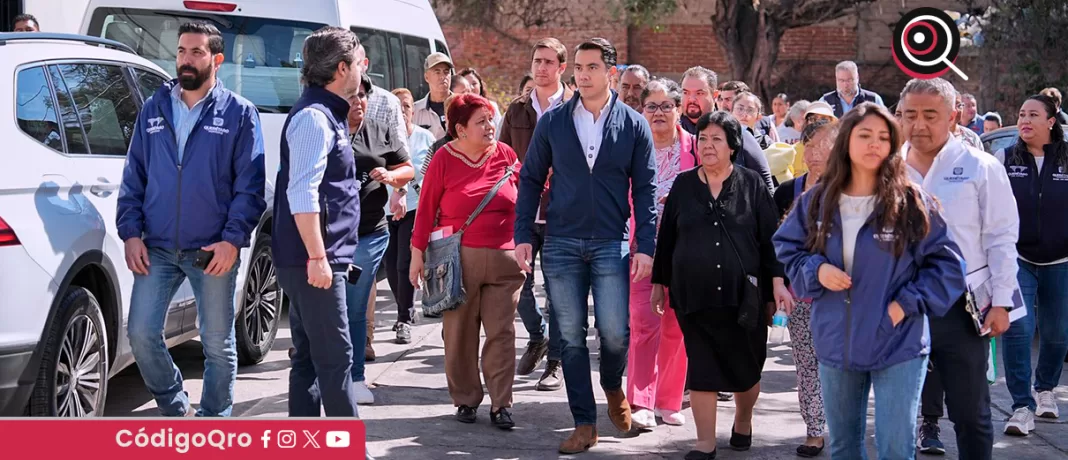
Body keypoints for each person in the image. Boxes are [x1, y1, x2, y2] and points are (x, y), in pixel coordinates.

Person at [773, 102, 966, 460]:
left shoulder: (910, 200)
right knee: (845, 447)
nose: (874, 144)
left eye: (883, 137)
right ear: (846, 141)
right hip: (835, 341)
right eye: (865, 135)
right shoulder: (817, 200)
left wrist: (904, 305)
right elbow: (787, 248)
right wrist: (816, 270)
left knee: (895, 447)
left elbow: (948, 266)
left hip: (898, 342)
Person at [514, 37, 656, 453]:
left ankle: (613, 386)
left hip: (612, 242)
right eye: (578, 67)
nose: (583, 74)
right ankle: (583, 423)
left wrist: (644, 245)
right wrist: (523, 233)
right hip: (560, 243)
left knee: (614, 333)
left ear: (610, 73)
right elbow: (530, 179)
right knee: (571, 337)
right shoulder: (554, 121)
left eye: (592, 67)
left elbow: (646, 191)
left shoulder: (633, 124)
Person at [117, 21, 265, 418]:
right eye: (182, 50)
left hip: (212, 248)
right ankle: (174, 406)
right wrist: (131, 233)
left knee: (217, 343)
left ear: (216, 59)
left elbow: (250, 188)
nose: (186, 59)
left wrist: (232, 240)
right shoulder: (154, 108)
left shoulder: (239, 113)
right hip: (158, 246)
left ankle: (214, 420)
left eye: (197, 52)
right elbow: (135, 176)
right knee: (141, 334)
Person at [651, 111, 788, 459]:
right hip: (692, 294)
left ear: (732, 147)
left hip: (744, 297)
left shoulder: (752, 184)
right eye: (702, 139)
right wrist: (659, 283)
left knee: (747, 366)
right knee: (702, 365)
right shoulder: (683, 185)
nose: (707, 146)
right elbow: (667, 238)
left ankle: (743, 420)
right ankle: (705, 444)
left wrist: (777, 284)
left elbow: (770, 238)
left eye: (716, 140)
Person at [900, 78, 1019, 460]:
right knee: (897, 415)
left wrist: (1001, 302)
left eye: (929, 115)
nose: (918, 124)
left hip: (963, 308)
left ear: (953, 117)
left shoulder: (980, 166)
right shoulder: (886, 168)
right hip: (900, 307)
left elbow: (1001, 237)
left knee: (970, 413)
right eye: (909, 114)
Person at [410, 93, 525, 430]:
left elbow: (526, 196)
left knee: (502, 334)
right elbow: (426, 209)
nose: (490, 126)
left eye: (490, 119)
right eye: (481, 122)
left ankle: (501, 403)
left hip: (505, 262)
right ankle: (465, 398)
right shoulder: (443, 159)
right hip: (457, 261)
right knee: (459, 333)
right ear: (460, 129)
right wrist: (417, 255)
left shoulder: (506, 154)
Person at [271, 25, 363, 419]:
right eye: (359, 62)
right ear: (342, 68)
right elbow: (302, 192)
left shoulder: (329, 115)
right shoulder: (314, 117)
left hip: (317, 258)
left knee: (310, 356)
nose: (363, 69)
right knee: (335, 357)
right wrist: (318, 256)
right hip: (314, 260)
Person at [500, 37, 573, 391]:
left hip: (564, 212)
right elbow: (500, 157)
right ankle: (537, 335)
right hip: (525, 210)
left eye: (548, 62)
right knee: (519, 287)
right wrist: (523, 171)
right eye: (537, 61)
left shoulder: (577, 106)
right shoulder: (516, 110)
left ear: (562, 67)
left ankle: (555, 362)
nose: (541, 68)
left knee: (559, 291)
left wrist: (558, 169)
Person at [995, 94, 1068, 435]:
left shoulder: (1066, 159)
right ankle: (1021, 406)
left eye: (1033, 115)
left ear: (1051, 121)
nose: (1024, 120)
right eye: (1021, 114)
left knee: (1057, 334)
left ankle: (1045, 390)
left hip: (1061, 260)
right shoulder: (1005, 158)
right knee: (1018, 331)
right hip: (1017, 258)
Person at [627, 78, 692, 430]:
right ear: (642, 111)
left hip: (684, 252)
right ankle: (640, 402)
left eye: (667, 105)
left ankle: (668, 400)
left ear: (678, 109)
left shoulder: (695, 148)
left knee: (676, 326)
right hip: (642, 250)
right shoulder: (633, 148)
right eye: (651, 106)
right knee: (643, 323)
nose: (659, 113)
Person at [345, 74, 414, 404]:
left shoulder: (377, 131)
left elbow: (408, 168)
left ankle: (356, 377)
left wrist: (392, 177)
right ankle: (326, 373)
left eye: (362, 96)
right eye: (351, 96)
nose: (358, 101)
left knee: (356, 307)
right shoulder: (324, 132)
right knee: (330, 309)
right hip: (329, 236)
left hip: (369, 234)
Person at [772, 118, 836, 457]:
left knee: (837, 364)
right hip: (799, 295)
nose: (814, 154)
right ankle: (814, 429)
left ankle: (839, 426)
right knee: (807, 364)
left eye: (823, 146)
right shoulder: (788, 191)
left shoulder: (850, 192)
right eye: (808, 146)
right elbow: (774, 246)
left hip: (841, 295)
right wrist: (778, 284)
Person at [383, 88, 435, 344]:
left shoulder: (425, 138)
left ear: (413, 111)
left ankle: (403, 317)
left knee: (405, 262)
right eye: (398, 106)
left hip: (415, 208)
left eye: (406, 106)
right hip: (386, 209)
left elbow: (431, 175)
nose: (402, 111)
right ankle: (404, 305)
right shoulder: (383, 137)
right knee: (391, 265)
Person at [819, 61, 885, 117]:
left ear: (857, 78)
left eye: (849, 80)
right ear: (836, 79)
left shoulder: (873, 100)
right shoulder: (825, 101)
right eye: (841, 80)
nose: (845, 85)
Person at [413, 52, 454, 138]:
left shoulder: (463, 105)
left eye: (446, 72)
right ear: (426, 77)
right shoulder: (416, 110)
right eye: (437, 72)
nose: (443, 77)